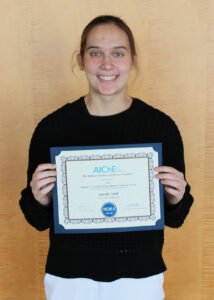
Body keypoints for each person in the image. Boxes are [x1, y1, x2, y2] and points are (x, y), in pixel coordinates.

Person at [19, 15, 193, 300]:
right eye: (95, 53)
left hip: (140, 277)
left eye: (118, 53)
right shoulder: (53, 129)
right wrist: (38, 199)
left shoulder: (160, 128)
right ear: (80, 60)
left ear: (132, 60)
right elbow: (36, 219)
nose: (107, 64)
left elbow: (176, 217)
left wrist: (176, 197)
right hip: (69, 279)